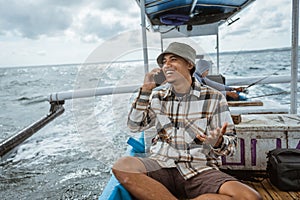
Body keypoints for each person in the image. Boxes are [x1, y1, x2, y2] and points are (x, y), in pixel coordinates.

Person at [112, 42, 262, 200]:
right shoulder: (157, 96)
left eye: (173, 59)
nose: (166, 65)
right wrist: (146, 90)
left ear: (189, 64)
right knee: (122, 166)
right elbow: (134, 126)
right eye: (164, 62)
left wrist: (217, 142)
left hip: (199, 168)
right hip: (161, 165)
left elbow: (230, 147)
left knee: (250, 197)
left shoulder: (215, 98)